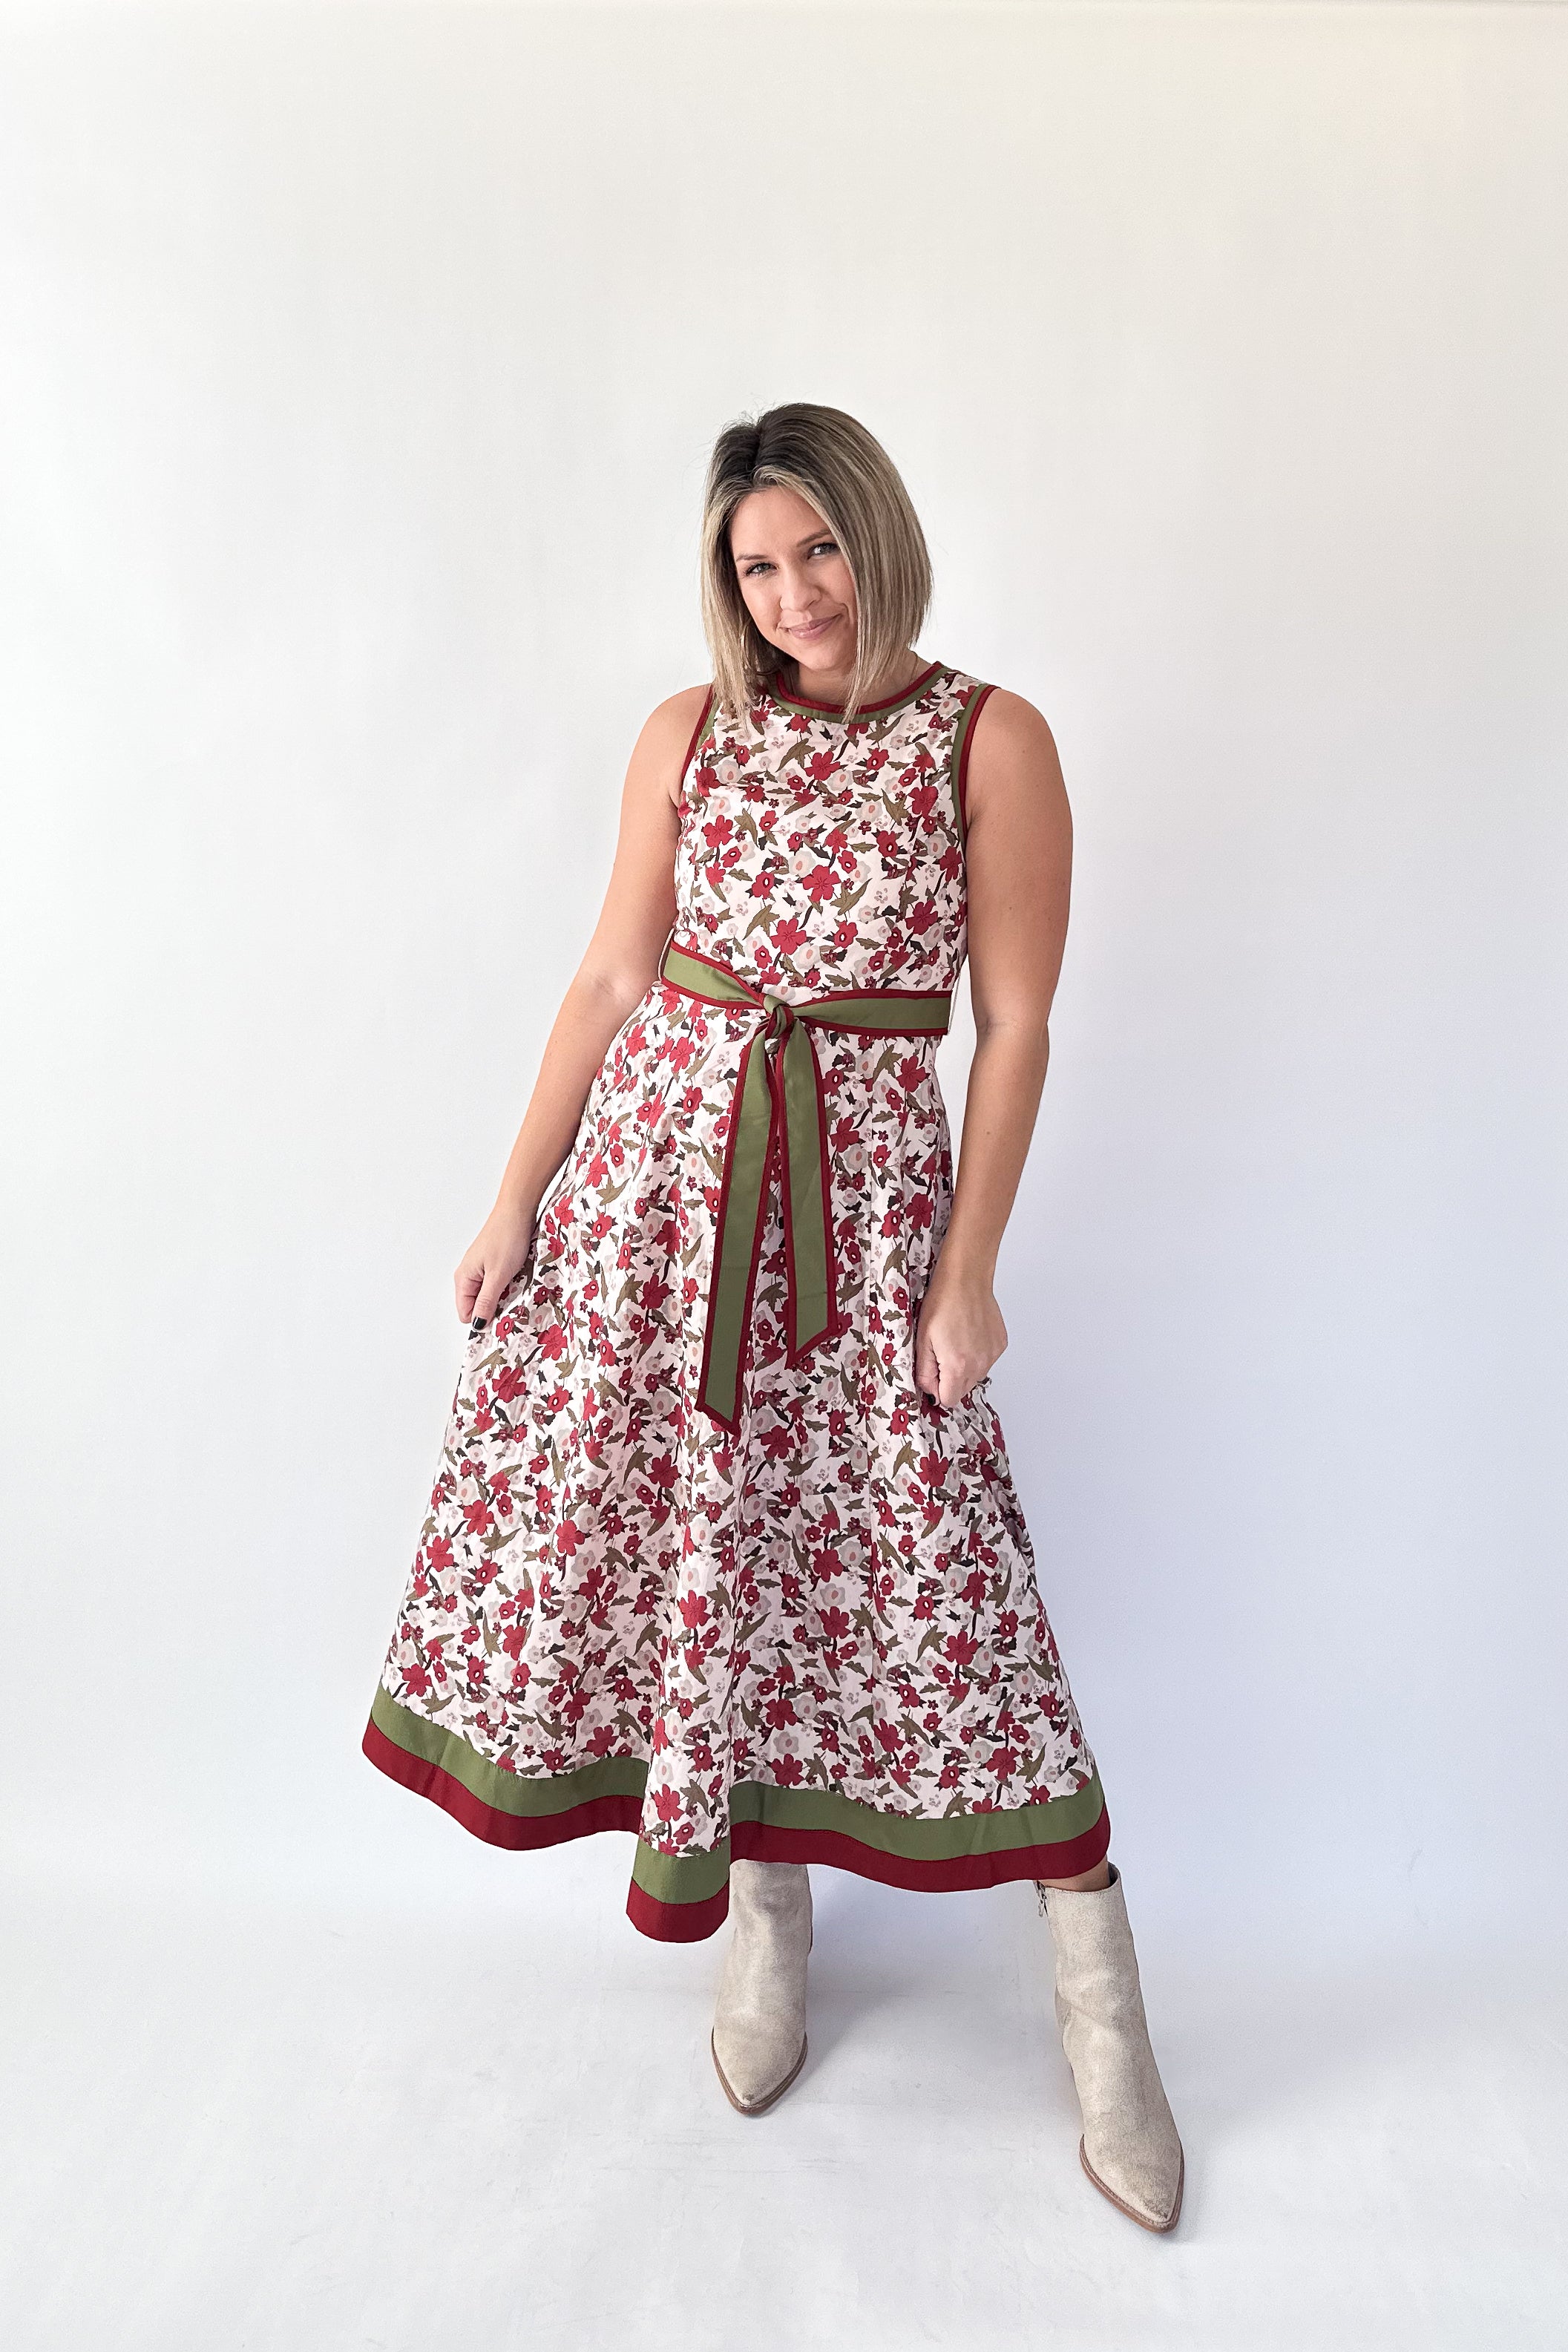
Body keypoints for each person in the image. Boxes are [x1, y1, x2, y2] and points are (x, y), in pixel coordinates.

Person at [362, 403, 1184, 2232]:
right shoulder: (689, 731)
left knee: (942, 1570)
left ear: (877, 536)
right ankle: (765, 1926)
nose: (795, 591)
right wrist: (515, 1197)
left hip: (864, 1220)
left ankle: (1103, 2010)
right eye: (757, 563)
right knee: (705, 1551)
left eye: (819, 548)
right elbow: (611, 976)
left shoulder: (989, 736)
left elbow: (1015, 1026)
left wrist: (969, 1268)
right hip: (656, 1205)